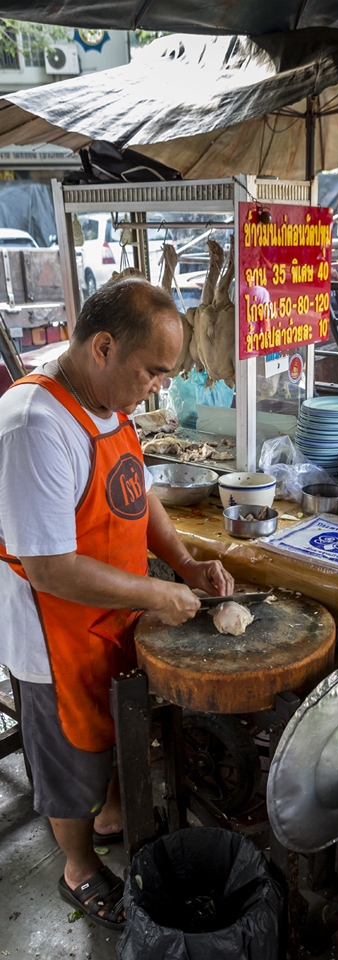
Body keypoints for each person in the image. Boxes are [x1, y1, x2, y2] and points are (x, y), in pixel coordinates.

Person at [0, 278, 234, 931]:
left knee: (112, 724)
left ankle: (108, 815)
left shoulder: (108, 397)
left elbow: (138, 489)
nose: (160, 385)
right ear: (103, 346)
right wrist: (159, 591)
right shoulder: (33, 424)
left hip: (111, 607)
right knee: (70, 749)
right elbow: (50, 569)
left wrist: (184, 561)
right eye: (153, 371)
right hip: (55, 627)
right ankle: (78, 868)